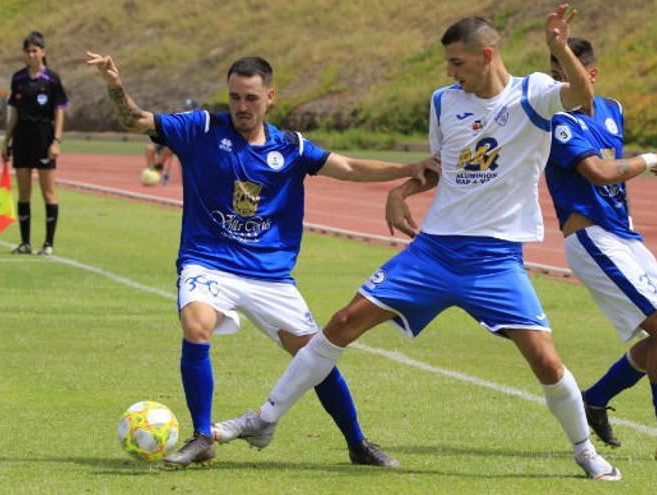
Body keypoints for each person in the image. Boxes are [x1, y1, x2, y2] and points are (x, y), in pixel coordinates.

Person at [214, 5, 623, 480]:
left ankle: (584, 450)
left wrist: (557, 49)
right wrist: (403, 189)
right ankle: (265, 419)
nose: (449, 73)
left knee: (546, 361)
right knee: (343, 322)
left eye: (457, 63)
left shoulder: (533, 94)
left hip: (494, 260)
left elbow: (583, 93)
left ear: (486, 55)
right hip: (433, 251)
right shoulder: (445, 102)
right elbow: (444, 164)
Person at [86, 50, 439, 468]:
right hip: (208, 260)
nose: (241, 107)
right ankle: (202, 436)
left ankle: (357, 444)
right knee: (196, 326)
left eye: (251, 98)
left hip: (270, 275)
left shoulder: (290, 147)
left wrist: (407, 168)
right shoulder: (200, 128)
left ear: (270, 96)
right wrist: (115, 85)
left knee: (315, 359)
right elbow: (138, 121)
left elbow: (346, 166)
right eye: (235, 97)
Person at [545, 37, 657, 464]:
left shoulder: (613, 110)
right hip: (592, 239)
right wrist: (649, 160)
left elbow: (612, 172)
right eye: (555, 73)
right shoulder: (558, 122)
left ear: (589, 75)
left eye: (568, 72)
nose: (561, 81)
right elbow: (597, 172)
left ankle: (596, 399)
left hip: (625, 235)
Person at [1, 31, 68, 256]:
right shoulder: (18, 79)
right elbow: (14, 114)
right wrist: (6, 141)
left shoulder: (52, 79)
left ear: (43, 52)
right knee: (24, 192)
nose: (31, 54)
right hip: (22, 137)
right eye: (28, 51)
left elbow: (59, 112)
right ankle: (25, 243)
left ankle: (48, 244)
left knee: (48, 192)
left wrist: (56, 141)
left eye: (35, 50)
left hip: (43, 136)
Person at [144, 99, 199, 186]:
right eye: (186, 108)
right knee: (150, 148)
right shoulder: (180, 118)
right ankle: (152, 174)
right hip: (170, 141)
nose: (187, 110)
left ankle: (159, 165)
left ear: (195, 109)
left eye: (189, 108)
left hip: (183, 145)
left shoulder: (198, 121)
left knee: (169, 147)